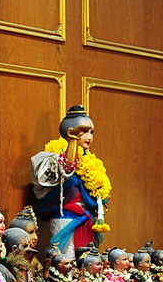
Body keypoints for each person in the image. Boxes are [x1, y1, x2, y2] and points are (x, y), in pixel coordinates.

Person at [30, 105, 110, 258]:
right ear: (70, 132)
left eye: (92, 132)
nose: (89, 137)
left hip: (86, 219)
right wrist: (72, 142)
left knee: (86, 261)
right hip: (65, 218)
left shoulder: (91, 162)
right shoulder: (51, 157)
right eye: (84, 132)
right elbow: (66, 168)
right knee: (67, 260)